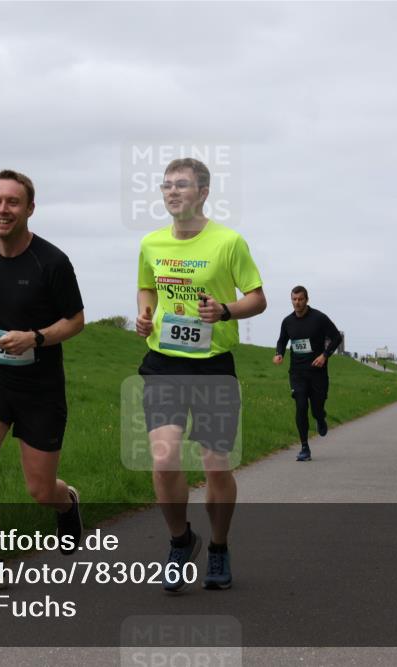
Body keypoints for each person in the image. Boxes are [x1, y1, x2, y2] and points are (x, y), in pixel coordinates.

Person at [0, 169, 85, 595]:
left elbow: (76, 321)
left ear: (29, 209)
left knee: (40, 491)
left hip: (40, 388)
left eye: (12, 202)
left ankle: (67, 503)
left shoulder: (52, 262)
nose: (2, 210)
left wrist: (36, 338)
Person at [135, 157, 266, 593]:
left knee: (215, 465)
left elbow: (258, 298)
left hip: (212, 365)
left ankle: (219, 546)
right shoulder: (152, 243)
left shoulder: (229, 242)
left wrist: (225, 310)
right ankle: (180, 540)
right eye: (167, 186)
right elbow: (147, 285)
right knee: (164, 456)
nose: (173, 192)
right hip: (164, 362)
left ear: (204, 193)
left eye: (183, 185)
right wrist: (144, 312)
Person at [273, 286, 343, 461]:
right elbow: (282, 340)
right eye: (294, 299)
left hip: (317, 372)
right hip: (297, 373)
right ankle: (304, 447)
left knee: (316, 408)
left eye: (300, 299)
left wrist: (325, 356)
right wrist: (279, 353)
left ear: (307, 300)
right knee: (301, 406)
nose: (297, 303)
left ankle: (320, 417)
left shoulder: (319, 318)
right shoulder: (287, 321)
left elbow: (336, 337)